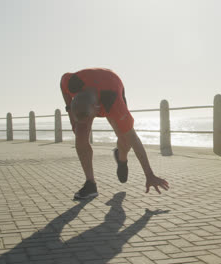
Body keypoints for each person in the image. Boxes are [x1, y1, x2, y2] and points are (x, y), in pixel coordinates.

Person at [60, 68, 169, 199]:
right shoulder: (70, 82)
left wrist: (149, 175)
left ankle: (121, 157)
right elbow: (63, 86)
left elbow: (134, 138)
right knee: (81, 134)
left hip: (112, 85)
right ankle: (90, 184)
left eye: (87, 119)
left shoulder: (114, 104)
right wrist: (72, 117)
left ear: (98, 109)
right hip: (89, 94)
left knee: (126, 139)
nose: (85, 123)